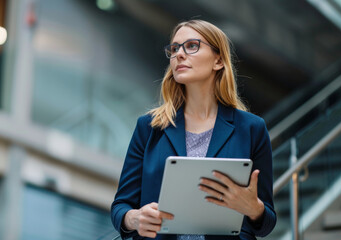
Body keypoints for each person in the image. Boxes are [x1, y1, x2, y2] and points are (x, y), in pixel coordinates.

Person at [111, 19, 276, 240]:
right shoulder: (150, 127)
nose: (179, 54)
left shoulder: (252, 129)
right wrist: (134, 218)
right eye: (174, 48)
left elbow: (266, 224)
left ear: (218, 60)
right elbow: (121, 205)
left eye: (191, 46)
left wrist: (254, 208)